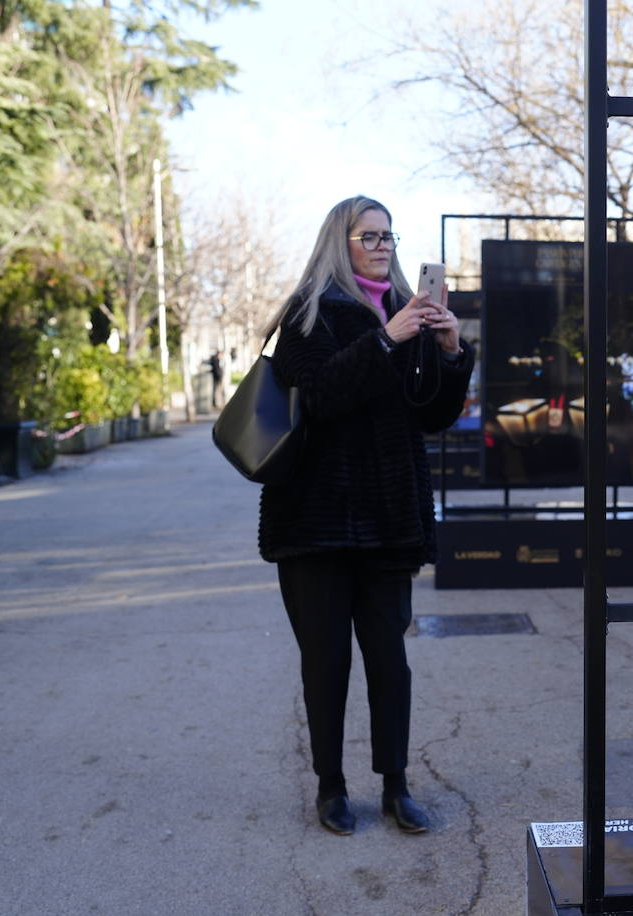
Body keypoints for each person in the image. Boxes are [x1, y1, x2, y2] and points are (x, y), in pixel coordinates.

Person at [258, 195, 474, 836]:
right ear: (340, 242)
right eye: (369, 236)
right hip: (314, 519)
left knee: (389, 659)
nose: (383, 246)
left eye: (388, 236)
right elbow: (319, 397)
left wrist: (452, 351)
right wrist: (386, 338)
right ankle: (330, 786)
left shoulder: (408, 309)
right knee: (325, 661)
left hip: (388, 516)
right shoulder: (308, 313)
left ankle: (397, 785)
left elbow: (431, 415)